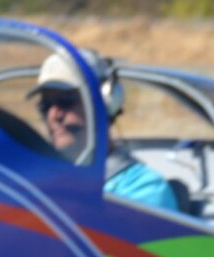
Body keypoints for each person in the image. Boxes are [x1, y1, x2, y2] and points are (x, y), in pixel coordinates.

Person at [29, 50, 182, 212]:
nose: (54, 115)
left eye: (66, 101)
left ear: (105, 104)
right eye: (45, 105)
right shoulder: (41, 182)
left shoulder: (144, 189)